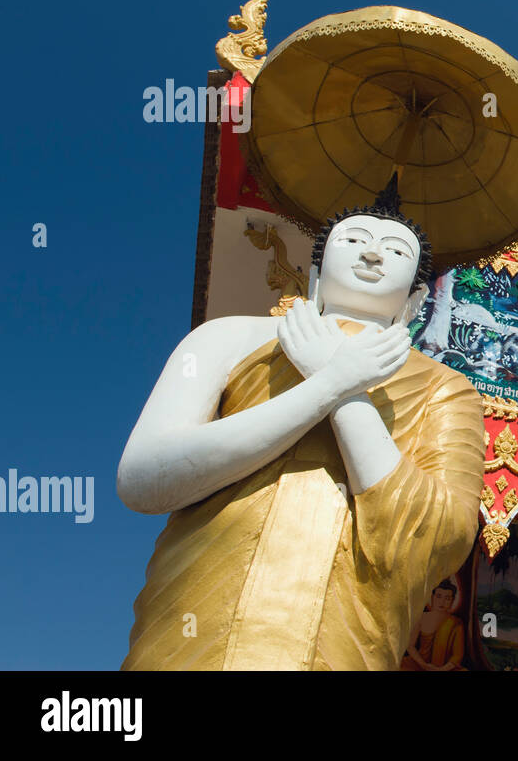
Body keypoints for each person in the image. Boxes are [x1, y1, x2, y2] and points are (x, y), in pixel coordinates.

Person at [117, 176, 486, 670]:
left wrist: (343, 388)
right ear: (315, 274)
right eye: (353, 241)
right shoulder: (229, 337)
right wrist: (327, 385)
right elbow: (143, 479)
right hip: (197, 623)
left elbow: (442, 538)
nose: (372, 256)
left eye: (396, 251)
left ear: (416, 302)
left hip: (344, 636)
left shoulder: (445, 388)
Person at [401, 580, 465, 671]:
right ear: (432, 597)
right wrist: (424, 665)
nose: (442, 602)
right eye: (439, 596)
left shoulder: (455, 623)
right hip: (419, 664)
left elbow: (457, 655)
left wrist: (442, 669)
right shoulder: (422, 618)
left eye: (447, 598)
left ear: (452, 601)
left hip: (444, 667)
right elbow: (410, 646)